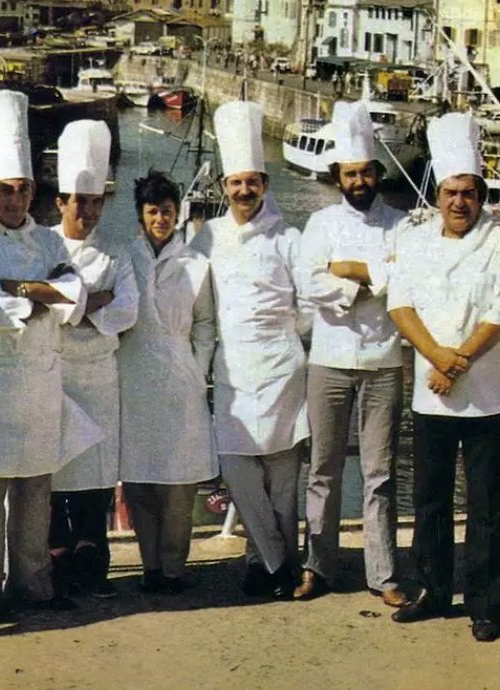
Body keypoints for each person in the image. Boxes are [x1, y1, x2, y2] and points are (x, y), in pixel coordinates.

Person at [0, 90, 98, 621]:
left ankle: (34, 584)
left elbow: (76, 296)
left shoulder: (51, 242)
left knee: (37, 491)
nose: (15, 201)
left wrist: (23, 288)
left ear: (34, 190)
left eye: (23, 189)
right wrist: (42, 294)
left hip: (40, 383)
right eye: (5, 191)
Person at [387, 113, 500, 642]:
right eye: (450, 192)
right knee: (429, 499)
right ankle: (432, 589)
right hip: (433, 394)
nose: (459, 202)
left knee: (486, 505)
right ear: (438, 195)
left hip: (485, 396)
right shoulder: (417, 240)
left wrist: (455, 362)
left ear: (481, 195)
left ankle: (486, 604)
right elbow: (401, 306)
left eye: (468, 193)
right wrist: (437, 358)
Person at [190, 100, 309, 599]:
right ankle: (283, 564)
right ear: (224, 187)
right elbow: (195, 304)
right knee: (239, 471)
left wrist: (283, 338)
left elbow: (309, 306)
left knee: (282, 482)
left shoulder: (290, 238)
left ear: (265, 183)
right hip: (233, 371)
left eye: (252, 182)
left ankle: (262, 566)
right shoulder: (207, 238)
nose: (244, 191)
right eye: (236, 183)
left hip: (282, 368)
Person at [295, 101, 408, 607]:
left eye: (365, 172)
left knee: (379, 473)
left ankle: (383, 574)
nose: (358, 181)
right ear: (338, 175)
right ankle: (318, 565)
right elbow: (308, 283)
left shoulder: (402, 224)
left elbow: (405, 275)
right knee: (323, 468)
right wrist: (366, 281)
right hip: (329, 360)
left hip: (384, 362)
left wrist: (346, 269)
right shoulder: (320, 223)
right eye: (350, 173)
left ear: (377, 173)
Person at [48, 121, 138, 599]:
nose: (87, 212)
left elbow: (128, 311)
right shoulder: (42, 245)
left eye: (95, 202)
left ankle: (92, 564)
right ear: (60, 202)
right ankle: (56, 563)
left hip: (100, 379)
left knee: (95, 480)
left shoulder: (117, 251)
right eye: (78, 202)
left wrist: (72, 306)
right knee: (52, 479)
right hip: (53, 375)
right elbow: (39, 306)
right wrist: (94, 301)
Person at [118, 170, 215, 594]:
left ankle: (174, 567)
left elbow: (206, 324)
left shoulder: (196, 264)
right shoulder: (124, 258)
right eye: (153, 211)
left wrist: (198, 367)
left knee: (179, 481)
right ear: (141, 214)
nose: (161, 219)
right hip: (134, 374)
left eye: (168, 211)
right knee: (139, 477)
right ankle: (151, 566)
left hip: (180, 376)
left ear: (178, 215)